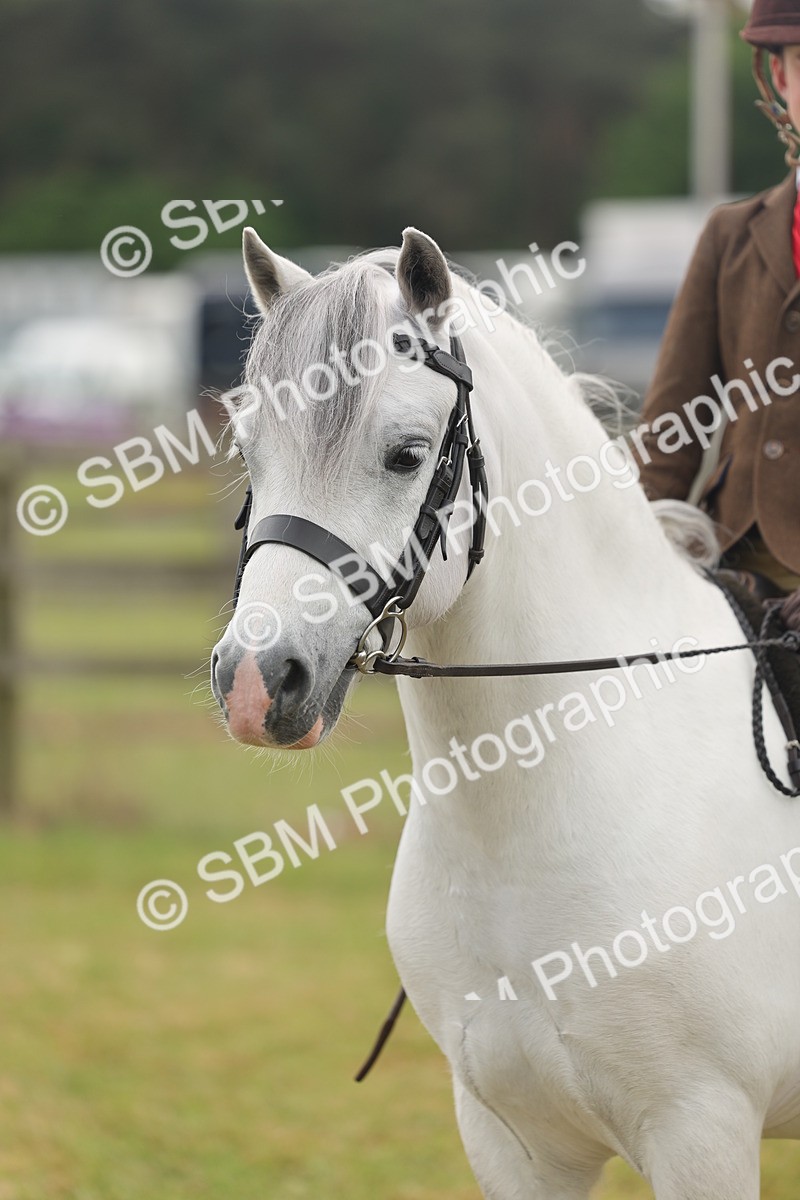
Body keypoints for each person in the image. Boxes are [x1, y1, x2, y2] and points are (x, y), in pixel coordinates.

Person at [635, 0, 800, 626]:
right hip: (733, 560)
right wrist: (635, 552)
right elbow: (670, 428)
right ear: (780, 78)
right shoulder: (730, 235)